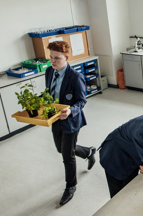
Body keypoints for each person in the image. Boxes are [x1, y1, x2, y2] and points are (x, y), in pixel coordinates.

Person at [45, 41, 96, 206]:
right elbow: (49, 94)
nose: (53, 61)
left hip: (71, 120)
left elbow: (82, 101)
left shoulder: (75, 77)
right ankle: (88, 152)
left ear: (66, 58)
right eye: (51, 57)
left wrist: (70, 111)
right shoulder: (48, 72)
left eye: (57, 58)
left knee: (67, 155)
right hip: (55, 118)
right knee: (61, 148)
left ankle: (71, 186)